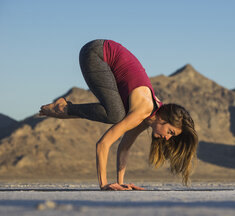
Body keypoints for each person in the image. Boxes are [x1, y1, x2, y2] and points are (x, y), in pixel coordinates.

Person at [39, 39, 198, 191]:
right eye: (170, 132)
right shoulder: (143, 110)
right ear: (164, 118)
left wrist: (121, 184)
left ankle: (62, 109)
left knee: (118, 114)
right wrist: (104, 184)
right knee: (115, 115)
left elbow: (124, 147)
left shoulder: (146, 118)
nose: (168, 138)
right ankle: (62, 108)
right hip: (97, 53)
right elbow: (103, 144)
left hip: (102, 54)